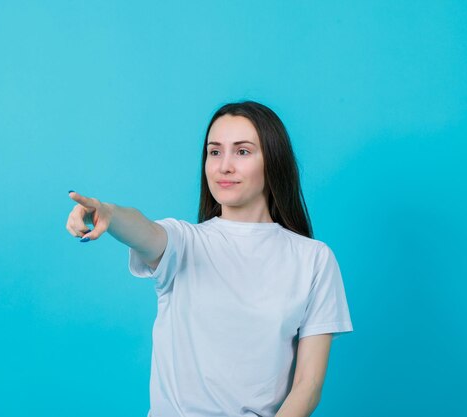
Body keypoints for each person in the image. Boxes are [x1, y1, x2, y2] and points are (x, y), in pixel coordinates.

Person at [66, 100, 354, 417]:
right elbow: (143, 230)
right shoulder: (184, 242)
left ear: (273, 160)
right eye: (214, 152)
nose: (223, 166)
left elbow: (308, 385)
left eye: (242, 151)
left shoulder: (313, 259)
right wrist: (108, 213)